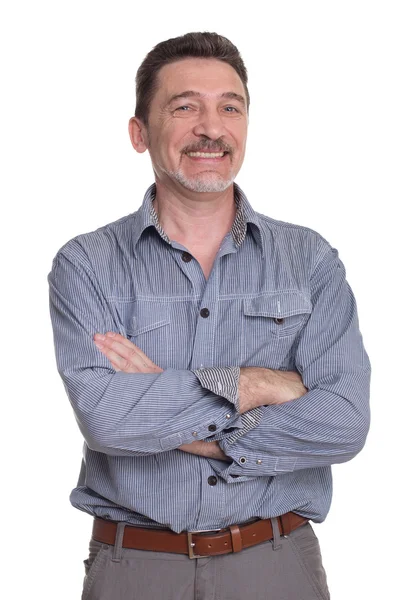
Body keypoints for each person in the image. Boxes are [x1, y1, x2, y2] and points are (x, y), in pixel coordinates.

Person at [48, 31, 371, 600]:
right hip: (136, 567)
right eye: (185, 106)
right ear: (139, 133)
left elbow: (344, 421)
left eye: (230, 106)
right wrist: (254, 385)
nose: (212, 127)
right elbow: (109, 421)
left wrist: (165, 402)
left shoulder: (310, 259)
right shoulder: (87, 264)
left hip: (277, 563)